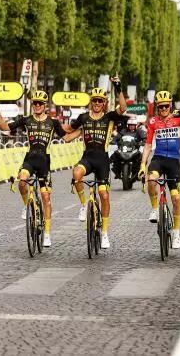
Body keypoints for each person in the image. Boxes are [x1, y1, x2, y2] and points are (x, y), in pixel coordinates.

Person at [0, 90, 72, 247]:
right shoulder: (26, 120)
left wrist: (83, 131)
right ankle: (26, 205)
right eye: (34, 103)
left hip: (45, 162)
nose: (37, 106)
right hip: (29, 159)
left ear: (45, 106)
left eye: (40, 103)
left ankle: (47, 234)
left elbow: (67, 137)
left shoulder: (53, 122)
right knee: (22, 182)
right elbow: (4, 127)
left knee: (45, 198)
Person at [64, 77, 127, 249]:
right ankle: (84, 205)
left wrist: (118, 87)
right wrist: (53, 127)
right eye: (94, 100)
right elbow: (69, 130)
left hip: (102, 161)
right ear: (91, 102)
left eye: (100, 101)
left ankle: (105, 233)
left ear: (105, 103)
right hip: (88, 158)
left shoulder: (109, 117)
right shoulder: (83, 117)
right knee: (76, 174)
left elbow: (123, 107)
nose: (97, 103)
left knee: (104, 195)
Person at [139, 91, 180, 249]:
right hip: (158, 159)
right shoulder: (153, 122)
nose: (164, 109)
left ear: (170, 105)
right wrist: (142, 164)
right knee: (151, 180)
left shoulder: (178, 117)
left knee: (177, 199)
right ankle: (154, 209)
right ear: (157, 107)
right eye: (161, 106)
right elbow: (147, 145)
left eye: (166, 106)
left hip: (173, 162)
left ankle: (177, 233)